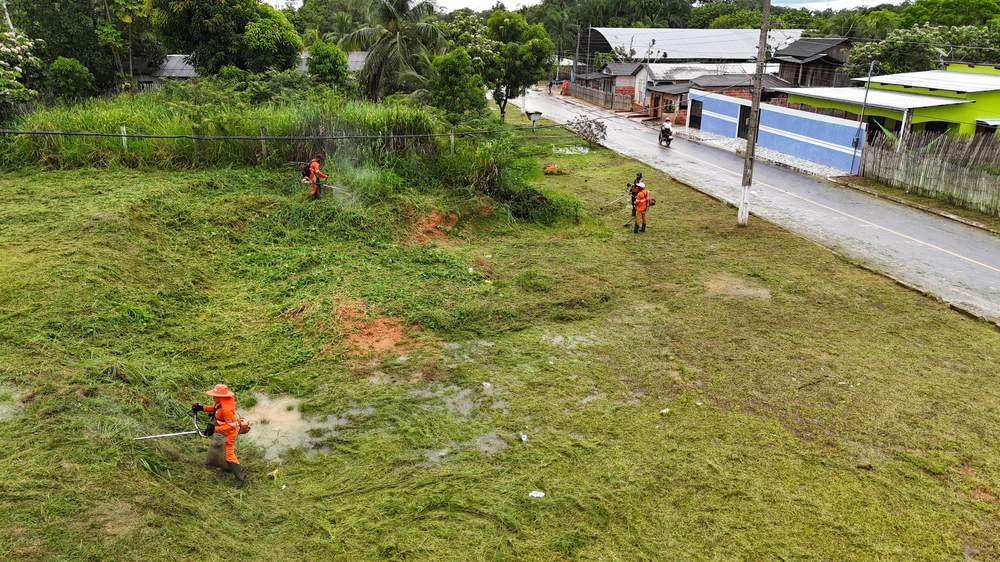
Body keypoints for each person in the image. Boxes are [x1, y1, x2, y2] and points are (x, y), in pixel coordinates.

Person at [193, 384, 246, 489]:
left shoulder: (226, 409)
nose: (213, 397)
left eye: (215, 395)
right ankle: (225, 467)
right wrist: (201, 408)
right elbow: (215, 409)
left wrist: (215, 429)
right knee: (218, 448)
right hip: (221, 431)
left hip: (228, 434)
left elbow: (232, 426)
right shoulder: (221, 403)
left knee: (229, 455)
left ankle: (241, 479)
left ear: (221, 396)